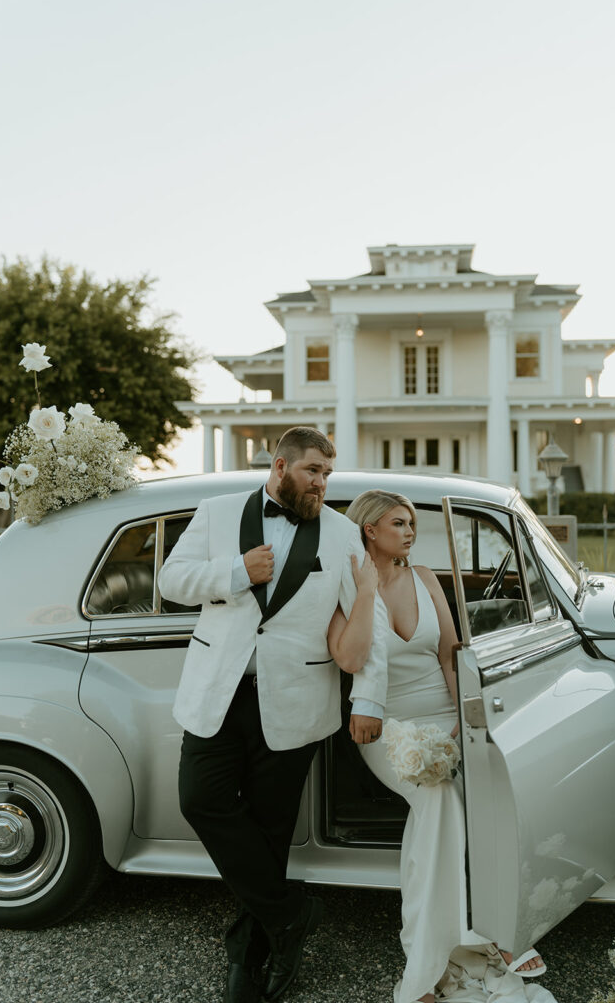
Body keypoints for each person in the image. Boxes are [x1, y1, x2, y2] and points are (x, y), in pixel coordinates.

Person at [157, 428, 388, 1003]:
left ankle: (251, 954)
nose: (321, 483)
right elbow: (171, 581)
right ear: (280, 465)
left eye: (327, 475)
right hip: (219, 695)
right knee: (199, 799)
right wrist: (236, 572)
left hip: (295, 702)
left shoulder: (340, 535)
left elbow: (369, 619)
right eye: (312, 471)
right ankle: (291, 914)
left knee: (270, 833)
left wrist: (367, 698)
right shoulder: (215, 515)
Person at [328, 489, 554, 1003]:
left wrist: (462, 722)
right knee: (436, 799)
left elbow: (452, 656)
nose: (410, 531)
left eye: (412, 523)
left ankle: (478, 933)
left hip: (445, 718)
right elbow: (348, 658)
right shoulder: (344, 585)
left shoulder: (426, 577)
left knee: (496, 783)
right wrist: (365, 592)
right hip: (387, 727)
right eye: (399, 522)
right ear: (369, 530)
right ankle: (429, 962)